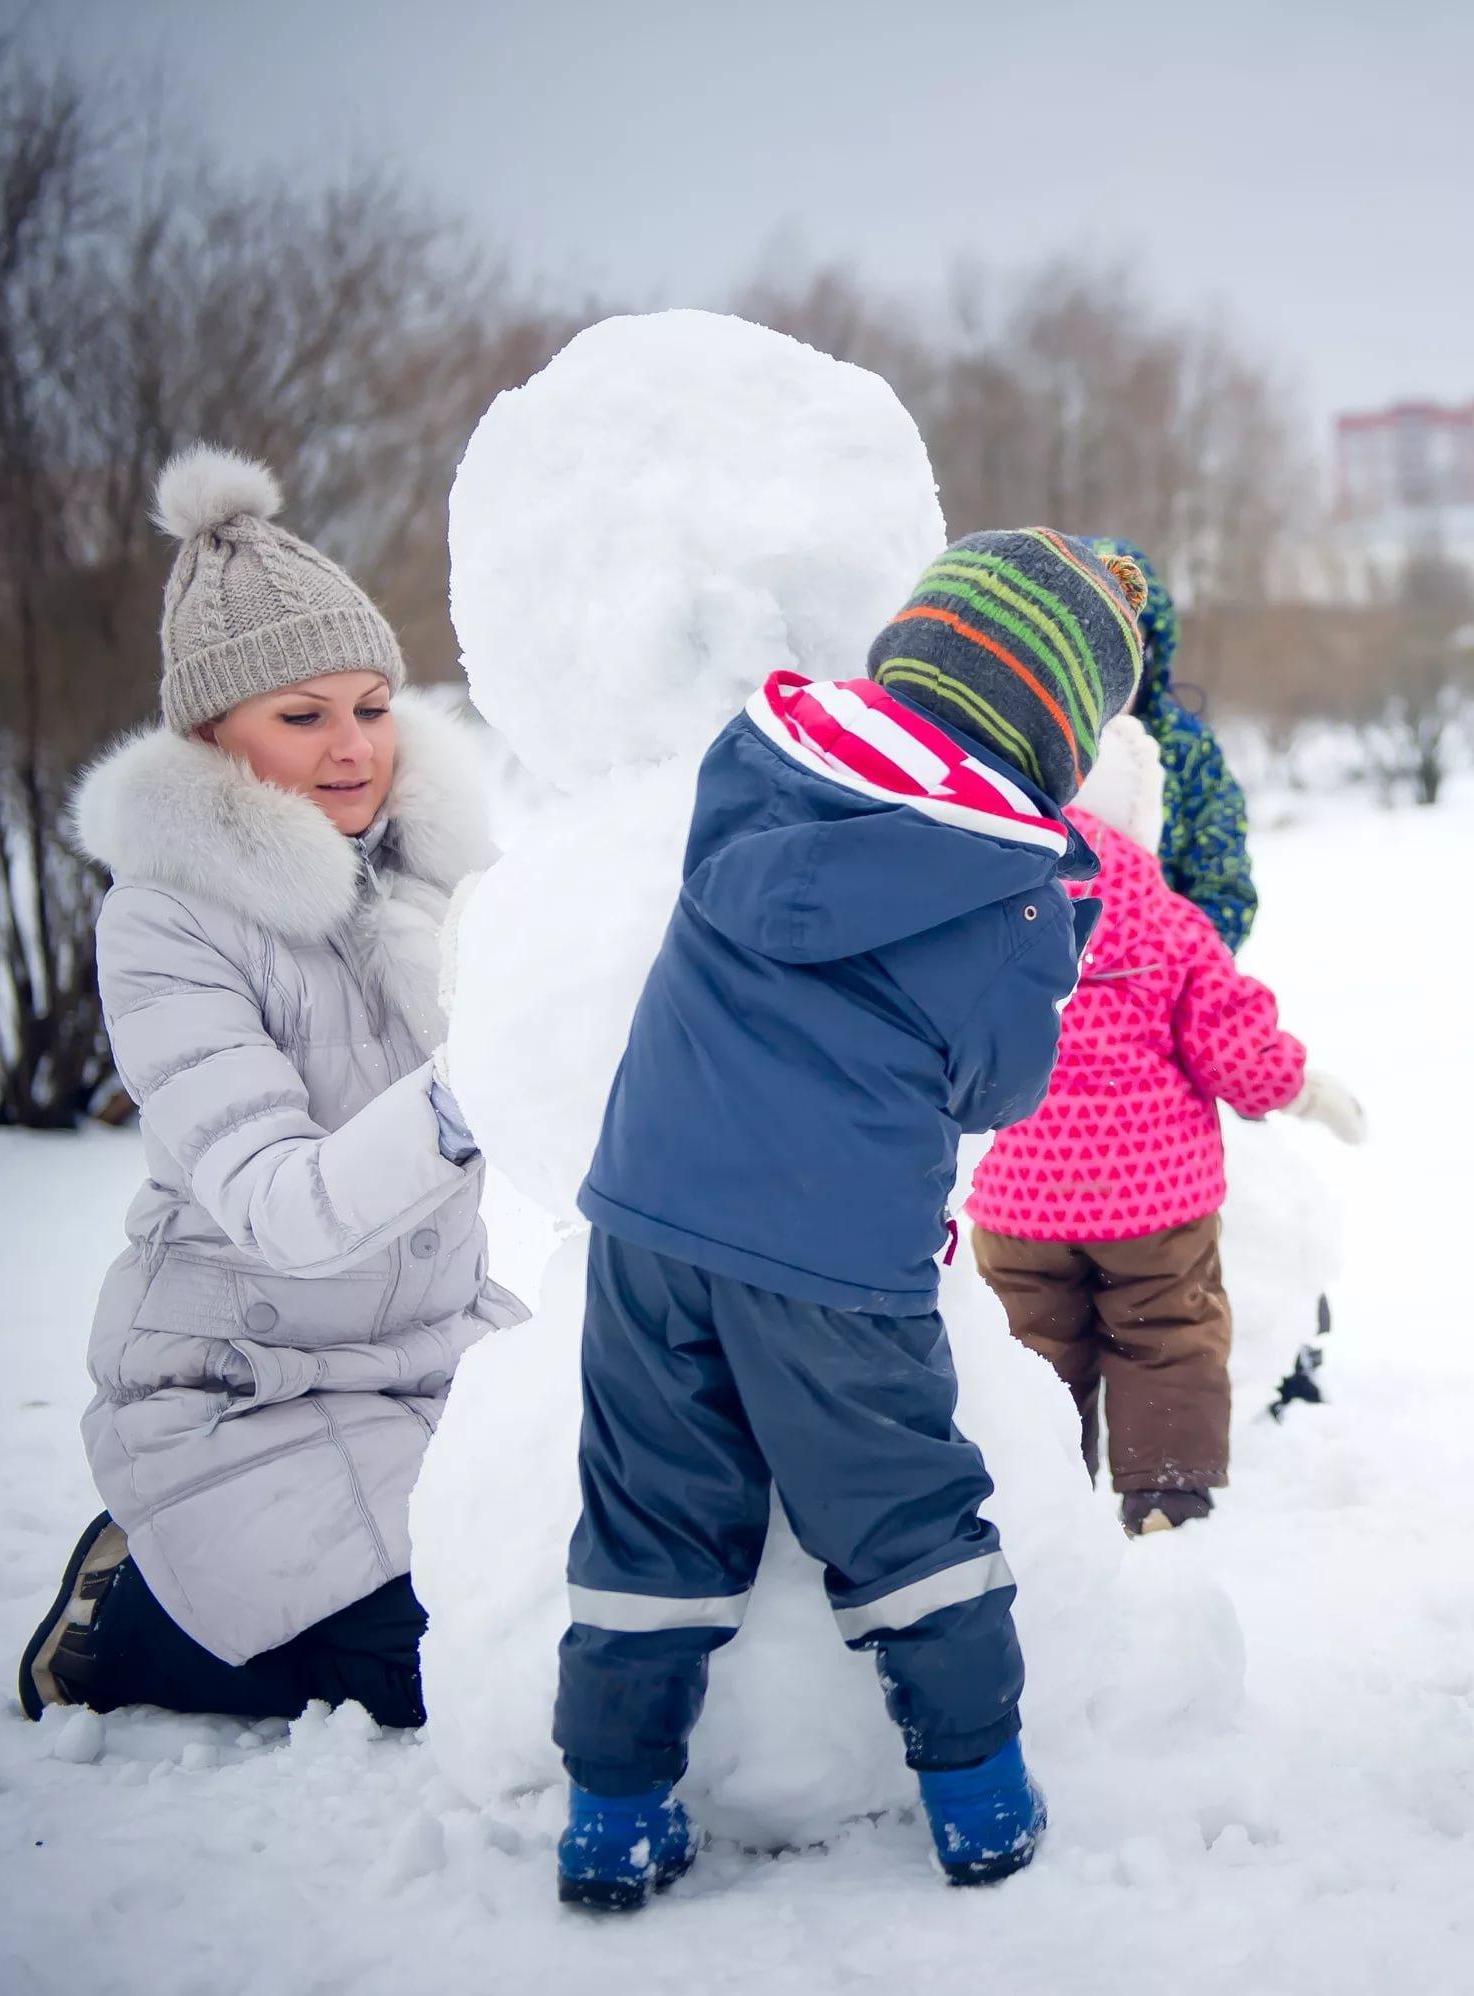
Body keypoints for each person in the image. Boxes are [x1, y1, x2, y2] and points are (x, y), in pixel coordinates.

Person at [549, 528, 1144, 1909]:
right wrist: (1052, 940)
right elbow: (1001, 1085)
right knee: (903, 1515)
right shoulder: (1004, 895)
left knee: (644, 1518)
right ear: (1058, 736)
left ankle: (612, 1816)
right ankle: (981, 1793)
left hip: (646, 1223)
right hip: (834, 1263)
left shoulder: (748, 775)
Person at [18, 446, 516, 1734]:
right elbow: (278, 1204)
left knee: (583, 1592)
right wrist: (470, 1093)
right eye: (303, 717)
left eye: (372, 705)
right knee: (446, 1673)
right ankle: (124, 1621)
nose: (354, 749)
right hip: (243, 1378)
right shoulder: (166, 921)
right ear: (209, 734)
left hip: (436, 1355)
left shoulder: (427, 877)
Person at [965, 714, 1364, 1536]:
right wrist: (1302, 1090)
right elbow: (1236, 1049)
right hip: (1154, 1203)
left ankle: (1043, 1504)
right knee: (1169, 1336)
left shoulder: (987, 916)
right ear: (1141, 817)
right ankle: (1165, 1498)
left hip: (1018, 1196)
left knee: (1032, 1350)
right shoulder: (1172, 927)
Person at [1085, 537, 1255, 951]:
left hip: (1155, 975)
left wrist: (1169, 972)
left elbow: (1224, 890)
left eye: (1127, 645)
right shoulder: (1024, 738)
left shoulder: (1187, 751)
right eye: (1092, 643)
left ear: (1153, 654)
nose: (1109, 666)